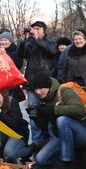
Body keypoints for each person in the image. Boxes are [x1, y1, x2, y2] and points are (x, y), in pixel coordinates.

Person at [29, 74, 86, 169]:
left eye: (40, 88)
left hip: (85, 133)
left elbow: (79, 110)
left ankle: (67, 162)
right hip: (63, 136)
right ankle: (71, 154)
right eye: (35, 89)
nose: (38, 92)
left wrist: (53, 109)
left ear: (48, 85)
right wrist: (38, 118)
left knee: (62, 120)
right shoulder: (43, 99)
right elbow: (47, 126)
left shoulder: (64, 91)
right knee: (40, 159)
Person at [17, 21, 58, 152]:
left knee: (50, 112)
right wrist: (22, 40)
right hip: (32, 83)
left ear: (44, 30)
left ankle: (53, 139)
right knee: (33, 113)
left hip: (47, 84)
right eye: (33, 29)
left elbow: (51, 51)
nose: (35, 31)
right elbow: (21, 55)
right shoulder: (30, 42)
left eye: (38, 29)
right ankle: (37, 141)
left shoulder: (51, 41)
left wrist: (37, 39)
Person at [0, 92, 31, 163]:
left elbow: (14, 124)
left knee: (9, 154)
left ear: (3, 96)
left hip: (17, 133)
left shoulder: (12, 101)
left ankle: (31, 148)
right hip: (3, 133)